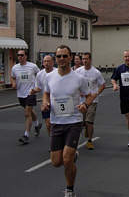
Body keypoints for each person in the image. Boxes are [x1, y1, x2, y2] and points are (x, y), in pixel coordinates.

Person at [42, 45, 94, 197]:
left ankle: (70, 189)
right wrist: (44, 102)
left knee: (66, 158)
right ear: (55, 59)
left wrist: (85, 104)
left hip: (74, 122)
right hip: (56, 122)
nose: (62, 59)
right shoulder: (49, 77)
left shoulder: (79, 78)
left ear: (71, 58)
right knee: (56, 162)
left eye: (65, 56)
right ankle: (74, 156)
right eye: (59, 56)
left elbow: (89, 95)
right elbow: (46, 93)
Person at [75, 52, 105, 150]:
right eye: (83, 59)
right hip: (81, 101)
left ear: (90, 60)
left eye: (86, 59)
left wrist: (96, 93)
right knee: (80, 122)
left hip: (92, 100)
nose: (84, 61)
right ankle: (85, 129)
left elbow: (102, 85)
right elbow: (74, 84)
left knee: (89, 121)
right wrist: (77, 92)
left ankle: (89, 141)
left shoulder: (96, 72)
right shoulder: (78, 71)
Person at [11, 49, 41, 144]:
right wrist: (13, 83)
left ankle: (26, 135)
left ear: (26, 56)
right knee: (30, 111)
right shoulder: (15, 68)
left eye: (22, 55)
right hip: (20, 94)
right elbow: (12, 77)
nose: (20, 57)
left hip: (31, 93)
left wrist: (37, 86)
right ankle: (37, 124)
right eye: (18, 55)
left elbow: (39, 75)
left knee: (27, 114)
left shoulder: (32, 66)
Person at [30, 55, 56, 137]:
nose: (46, 63)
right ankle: (53, 144)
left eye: (48, 61)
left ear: (53, 62)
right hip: (46, 103)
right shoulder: (40, 74)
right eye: (45, 61)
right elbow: (39, 87)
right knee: (48, 124)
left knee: (58, 125)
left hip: (58, 102)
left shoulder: (57, 72)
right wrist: (34, 91)